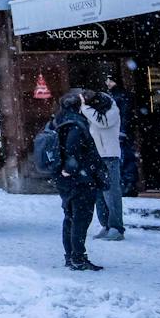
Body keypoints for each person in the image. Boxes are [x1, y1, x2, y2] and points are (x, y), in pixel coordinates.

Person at [54, 92, 108, 271]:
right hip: (80, 179)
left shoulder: (59, 120)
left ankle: (71, 255)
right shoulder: (76, 123)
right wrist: (71, 169)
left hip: (67, 180)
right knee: (81, 218)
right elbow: (72, 148)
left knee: (70, 216)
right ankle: (77, 257)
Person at [88, 92, 125, 241]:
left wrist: (85, 108)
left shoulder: (112, 111)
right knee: (99, 193)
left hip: (110, 155)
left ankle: (116, 227)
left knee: (111, 192)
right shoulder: (94, 113)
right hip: (97, 156)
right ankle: (106, 225)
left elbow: (102, 123)